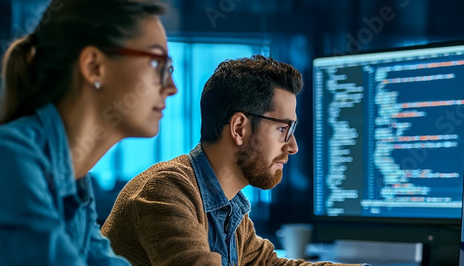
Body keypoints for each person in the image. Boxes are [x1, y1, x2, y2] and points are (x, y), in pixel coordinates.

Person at [0, 0, 177, 265]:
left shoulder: (72, 180)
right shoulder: (5, 158)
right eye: (157, 64)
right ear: (94, 66)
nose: (172, 87)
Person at [101, 55, 363, 266]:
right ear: (239, 128)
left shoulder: (228, 210)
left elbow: (270, 264)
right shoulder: (166, 190)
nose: (292, 147)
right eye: (283, 129)